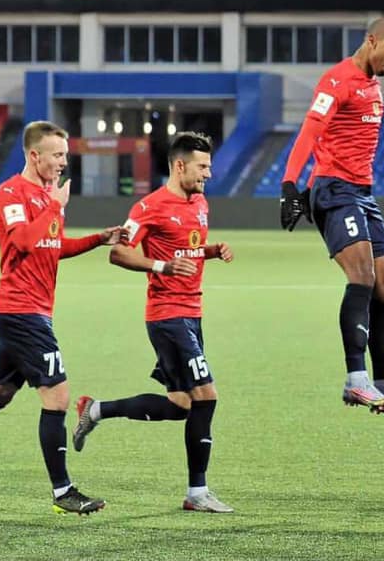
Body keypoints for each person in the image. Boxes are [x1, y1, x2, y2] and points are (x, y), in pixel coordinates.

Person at [0, 121, 125, 515]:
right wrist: (55, 205)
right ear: (35, 155)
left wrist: (97, 240)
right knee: (59, 396)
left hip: (31, 311)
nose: (64, 163)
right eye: (57, 155)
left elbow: (50, 246)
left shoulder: (45, 196)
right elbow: (21, 241)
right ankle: (62, 492)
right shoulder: (12, 193)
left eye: (65, 155)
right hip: (21, 312)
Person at [72, 132, 235, 513]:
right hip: (167, 315)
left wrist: (211, 251)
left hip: (192, 314)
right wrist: (160, 265)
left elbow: (187, 249)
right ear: (180, 166)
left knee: (180, 405)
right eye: (203, 166)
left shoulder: (200, 203)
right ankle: (197, 493)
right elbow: (118, 253)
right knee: (206, 397)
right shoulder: (150, 207)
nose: (208, 173)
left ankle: (95, 409)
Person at [279, 18, 384, 426]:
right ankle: (355, 378)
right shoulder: (336, 80)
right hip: (333, 190)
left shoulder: (374, 87)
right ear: (372, 40)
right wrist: (291, 185)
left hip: (363, 194)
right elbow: (309, 132)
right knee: (361, 275)